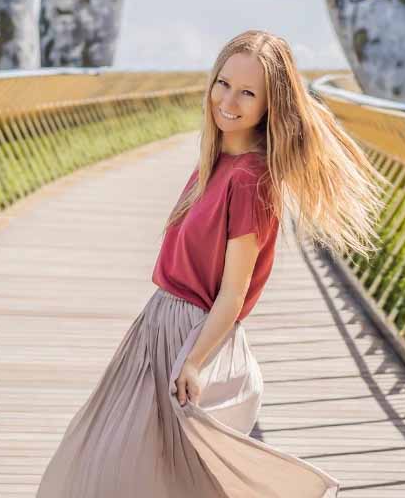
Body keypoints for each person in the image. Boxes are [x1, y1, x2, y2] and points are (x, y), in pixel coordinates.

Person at [36, 30, 386, 497]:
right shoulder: (217, 160)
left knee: (129, 473)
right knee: (117, 466)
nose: (229, 101)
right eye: (223, 83)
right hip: (157, 329)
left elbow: (234, 292)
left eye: (248, 93)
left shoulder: (249, 180)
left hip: (191, 339)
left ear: (270, 105)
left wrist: (195, 362)